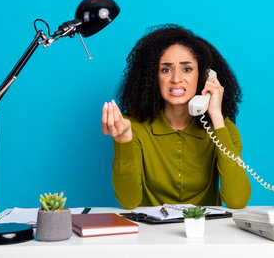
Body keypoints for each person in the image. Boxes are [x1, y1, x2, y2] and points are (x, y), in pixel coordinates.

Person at [101, 24, 251, 209]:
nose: (176, 79)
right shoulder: (133, 127)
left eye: (187, 69)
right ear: (152, 76)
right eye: (166, 69)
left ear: (204, 76)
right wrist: (122, 138)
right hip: (152, 234)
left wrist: (216, 117)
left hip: (207, 233)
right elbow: (129, 201)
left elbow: (237, 201)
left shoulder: (222, 129)